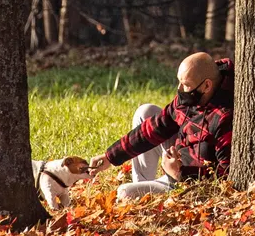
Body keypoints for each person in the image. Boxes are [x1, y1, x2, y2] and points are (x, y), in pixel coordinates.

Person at [90, 51, 234, 202]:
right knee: (145, 112)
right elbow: (156, 126)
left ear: (206, 85)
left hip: (189, 183)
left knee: (125, 192)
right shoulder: (192, 95)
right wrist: (111, 156)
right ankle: (142, 184)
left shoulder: (224, 117)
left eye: (185, 85)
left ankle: (144, 195)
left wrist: (180, 173)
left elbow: (226, 175)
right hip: (179, 160)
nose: (179, 89)